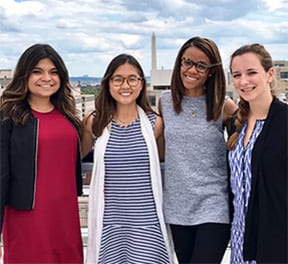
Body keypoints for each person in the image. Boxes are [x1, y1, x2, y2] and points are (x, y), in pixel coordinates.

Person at [81, 53, 175, 264]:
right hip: (110, 225)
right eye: (118, 79)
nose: (126, 85)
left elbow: (163, 163)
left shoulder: (155, 124)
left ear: (141, 84)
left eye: (133, 78)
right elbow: (73, 157)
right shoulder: (94, 123)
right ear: (108, 84)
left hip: (148, 224)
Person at [0, 44, 83, 263]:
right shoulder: (9, 117)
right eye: (37, 71)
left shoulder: (69, 116)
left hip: (65, 215)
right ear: (24, 75)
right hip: (27, 217)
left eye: (53, 72)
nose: (46, 78)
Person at [159, 36, 238, 263]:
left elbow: (245, 143)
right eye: (187, 62)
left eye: (201, 65)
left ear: (212, 71)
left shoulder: (222, 104)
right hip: (177, 205)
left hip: (213, 204)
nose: (192, 69)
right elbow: (162, 151)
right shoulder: (165, 102)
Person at [227, 43, 287, 263]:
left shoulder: (284, 121)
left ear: (269, 74)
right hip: (240, 240)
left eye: (251, 72)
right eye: (237, 75)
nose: (244, 81)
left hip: (275, 242)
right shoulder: (235, 124)